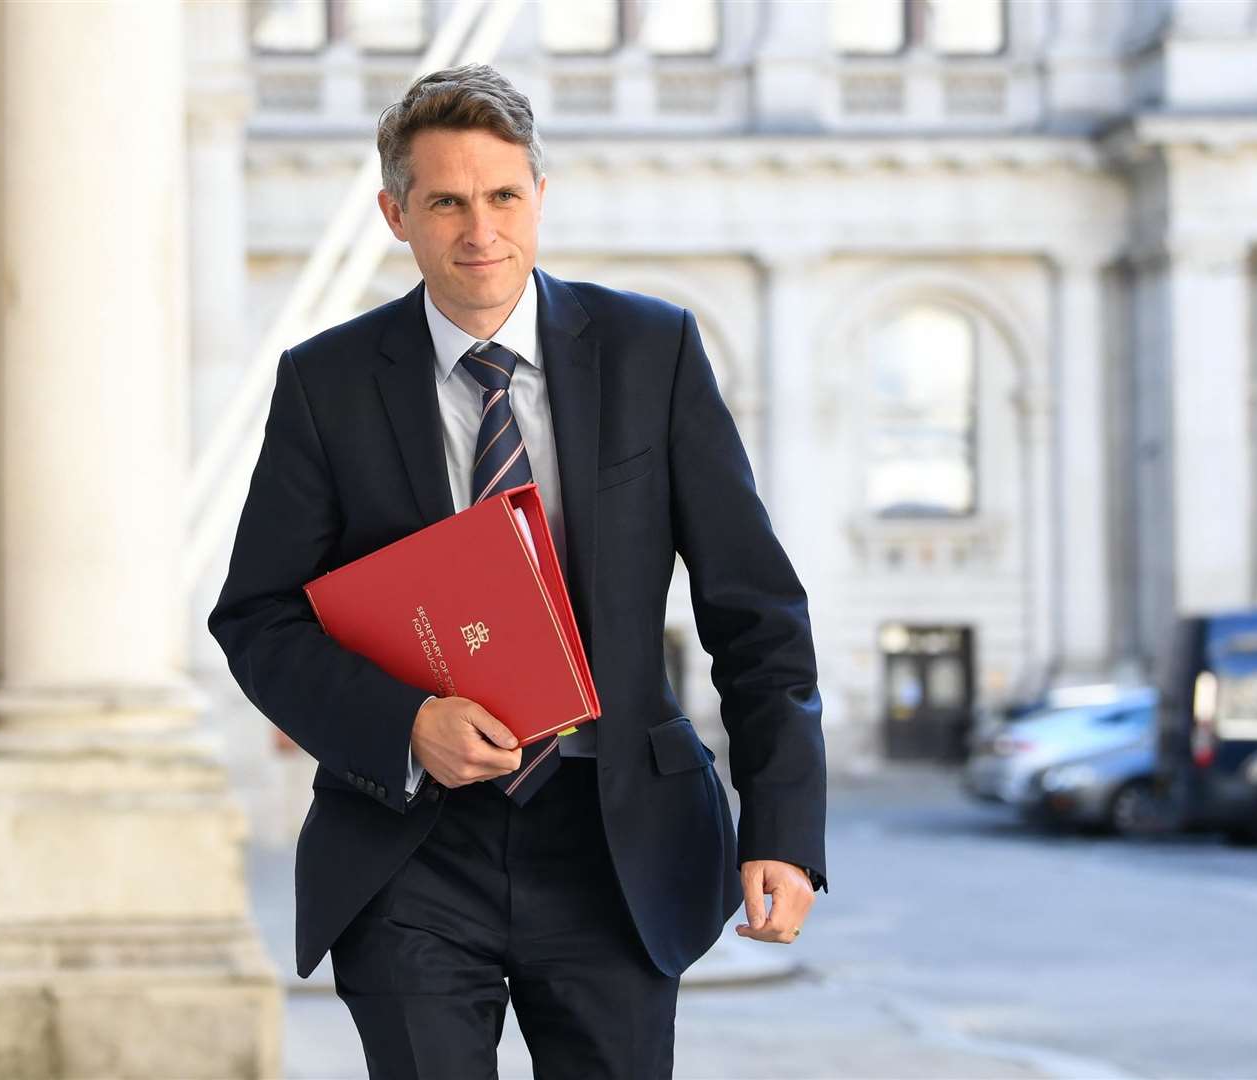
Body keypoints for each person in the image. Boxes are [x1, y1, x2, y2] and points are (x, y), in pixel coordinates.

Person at [208, 62, 827, 1079]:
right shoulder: (325, 384)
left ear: (539, 197)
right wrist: (403, 724)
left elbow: (753, 606)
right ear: (393, 214)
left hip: (613, 840)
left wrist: (784, 828)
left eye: (501, 196)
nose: (478, 230)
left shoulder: (651, 351)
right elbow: (258, 618)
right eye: (444, 201)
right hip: (410, 850)